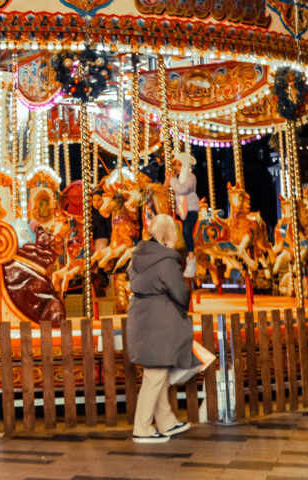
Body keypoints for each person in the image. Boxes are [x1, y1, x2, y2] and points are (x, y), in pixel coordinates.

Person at [127, 214, 197, 443]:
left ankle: (166, 420)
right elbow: (180, 292)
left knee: (157, 374)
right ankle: (142, 427)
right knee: (155, 376)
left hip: (142, 318)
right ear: (169, 234)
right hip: (159, 324)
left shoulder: (138, 256)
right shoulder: (166, 261)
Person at [166, 153, 199, 278]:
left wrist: (172, 180)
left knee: (186, 230)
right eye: (175, 165)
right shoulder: (177, 180)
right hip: (180, 212)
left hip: (191, 211)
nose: (176, 167)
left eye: (179, 165)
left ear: (186, 165)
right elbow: (166, 189)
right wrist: (167, 181)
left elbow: (182, 190)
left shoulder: (191, 178)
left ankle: (191, 259)